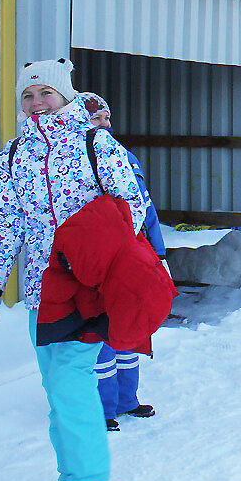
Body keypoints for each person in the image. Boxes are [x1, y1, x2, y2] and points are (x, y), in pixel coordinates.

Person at [0, 58, 149, 481]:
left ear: (65, 96)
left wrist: (84, 248)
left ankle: (90, 477)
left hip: (87, 286)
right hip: (39, 290)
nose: (36, 103)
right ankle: (71, 472)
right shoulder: (12, 155)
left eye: (45, 93)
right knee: (56, 384)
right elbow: (6, 224)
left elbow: (131, 205)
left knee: (71, 379)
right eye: (27, 95)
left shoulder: (95, 143)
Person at [80, 92, 164, 430]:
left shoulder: (124, 157)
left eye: (106, 119)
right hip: (98, 261)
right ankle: (104, 408)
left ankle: (128, 400)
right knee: (100, 332)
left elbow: (146, 208)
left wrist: (158, 253)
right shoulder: (75, 160)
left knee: (129, 328)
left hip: (132, 257)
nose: (104, 125)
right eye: (95, 119)